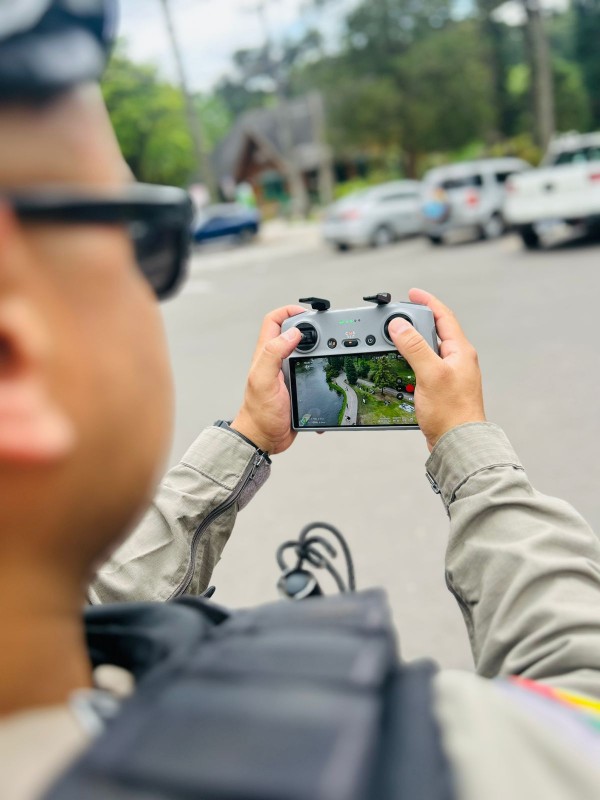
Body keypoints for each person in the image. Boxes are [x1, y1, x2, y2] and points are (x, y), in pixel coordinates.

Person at [2, 3, 600, 799]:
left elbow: (89, 607)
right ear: (15, 360)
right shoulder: (440, 765)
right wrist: (471, 451)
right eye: (143, 235)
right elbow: (581, 700)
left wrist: (247, 435)